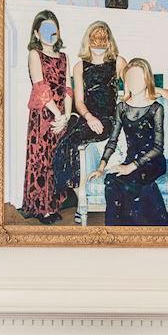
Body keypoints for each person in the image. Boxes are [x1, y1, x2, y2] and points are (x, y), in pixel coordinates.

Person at [88, 58, 168, 226]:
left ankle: (148, 232)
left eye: (138, 77)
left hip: (152, 162)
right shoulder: (122, 107)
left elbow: (158, 148)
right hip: (131, 159)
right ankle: (118, 235)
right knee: (111, 180)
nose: (133, 81)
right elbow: (112, 140)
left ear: (147, 79)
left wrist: (131, 167)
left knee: (129, 182)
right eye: (130, 77)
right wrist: (101, 167)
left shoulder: (156, 108)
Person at [55, 19, 121, 205]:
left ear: (109, 41)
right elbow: (79, 101)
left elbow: (136, 79)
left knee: (70, 143)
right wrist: (89, 117)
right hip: (86, 116)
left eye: (103, 39)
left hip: (107, 119)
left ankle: (78, 200)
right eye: (94, 39)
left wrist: (159, 90)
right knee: (65, 144)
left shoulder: (117, 62)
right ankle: (78, 197)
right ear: (88, 40)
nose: (98, 44)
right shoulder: (79, 66)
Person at [19, 10, 72, 221]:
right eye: (46, 29)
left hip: (61, 115)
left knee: (56, 160)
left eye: (54, 29)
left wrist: (67, 115)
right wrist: (57, 113)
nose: (51, 33)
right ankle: (42, 208)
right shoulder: (35, 54)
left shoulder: (65, 57)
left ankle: (54, 203)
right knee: (41, 159)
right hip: (44, 113)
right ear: (36, 33)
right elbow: (40, 86)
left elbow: (68, 88)